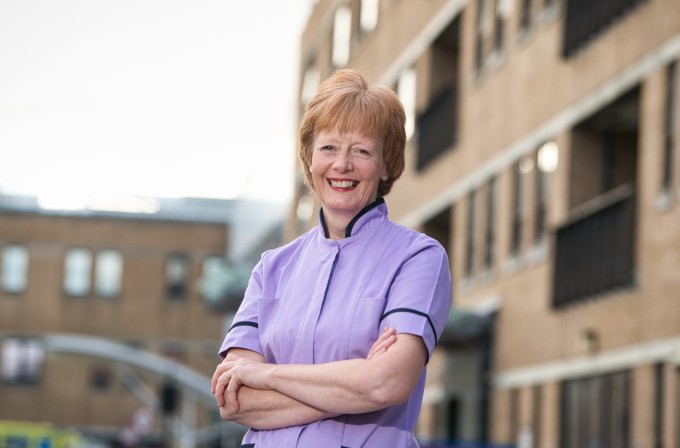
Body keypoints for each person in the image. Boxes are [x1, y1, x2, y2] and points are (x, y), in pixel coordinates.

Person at [211, 68, 452, 448]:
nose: (342, 164)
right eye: (328, 148)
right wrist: (353, 388)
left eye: (362, 150)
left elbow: (387, 382)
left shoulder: (418, 259)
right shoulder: (271, 268)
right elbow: (234, 399)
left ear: (387, 164)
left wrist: (267, 374)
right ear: (309, 159)